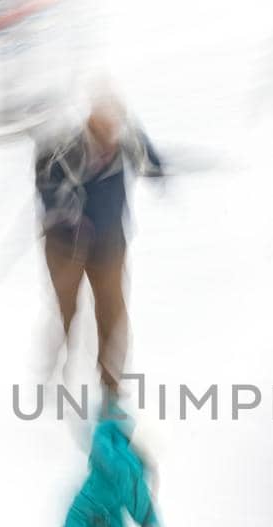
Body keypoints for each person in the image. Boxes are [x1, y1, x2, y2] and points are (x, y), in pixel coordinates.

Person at [33, 95, 164, 399]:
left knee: (113, 315)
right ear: (92, 123)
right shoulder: (67, 149)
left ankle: (111, 387)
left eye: (116, 127)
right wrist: (67, 210)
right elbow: (46, 185)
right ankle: (53, 375)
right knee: (67, 311)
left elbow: (153, 167)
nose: (110, 137)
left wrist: (153, 159)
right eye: (105, 128)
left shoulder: (127, 141)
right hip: (65, 247)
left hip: (109, 244)